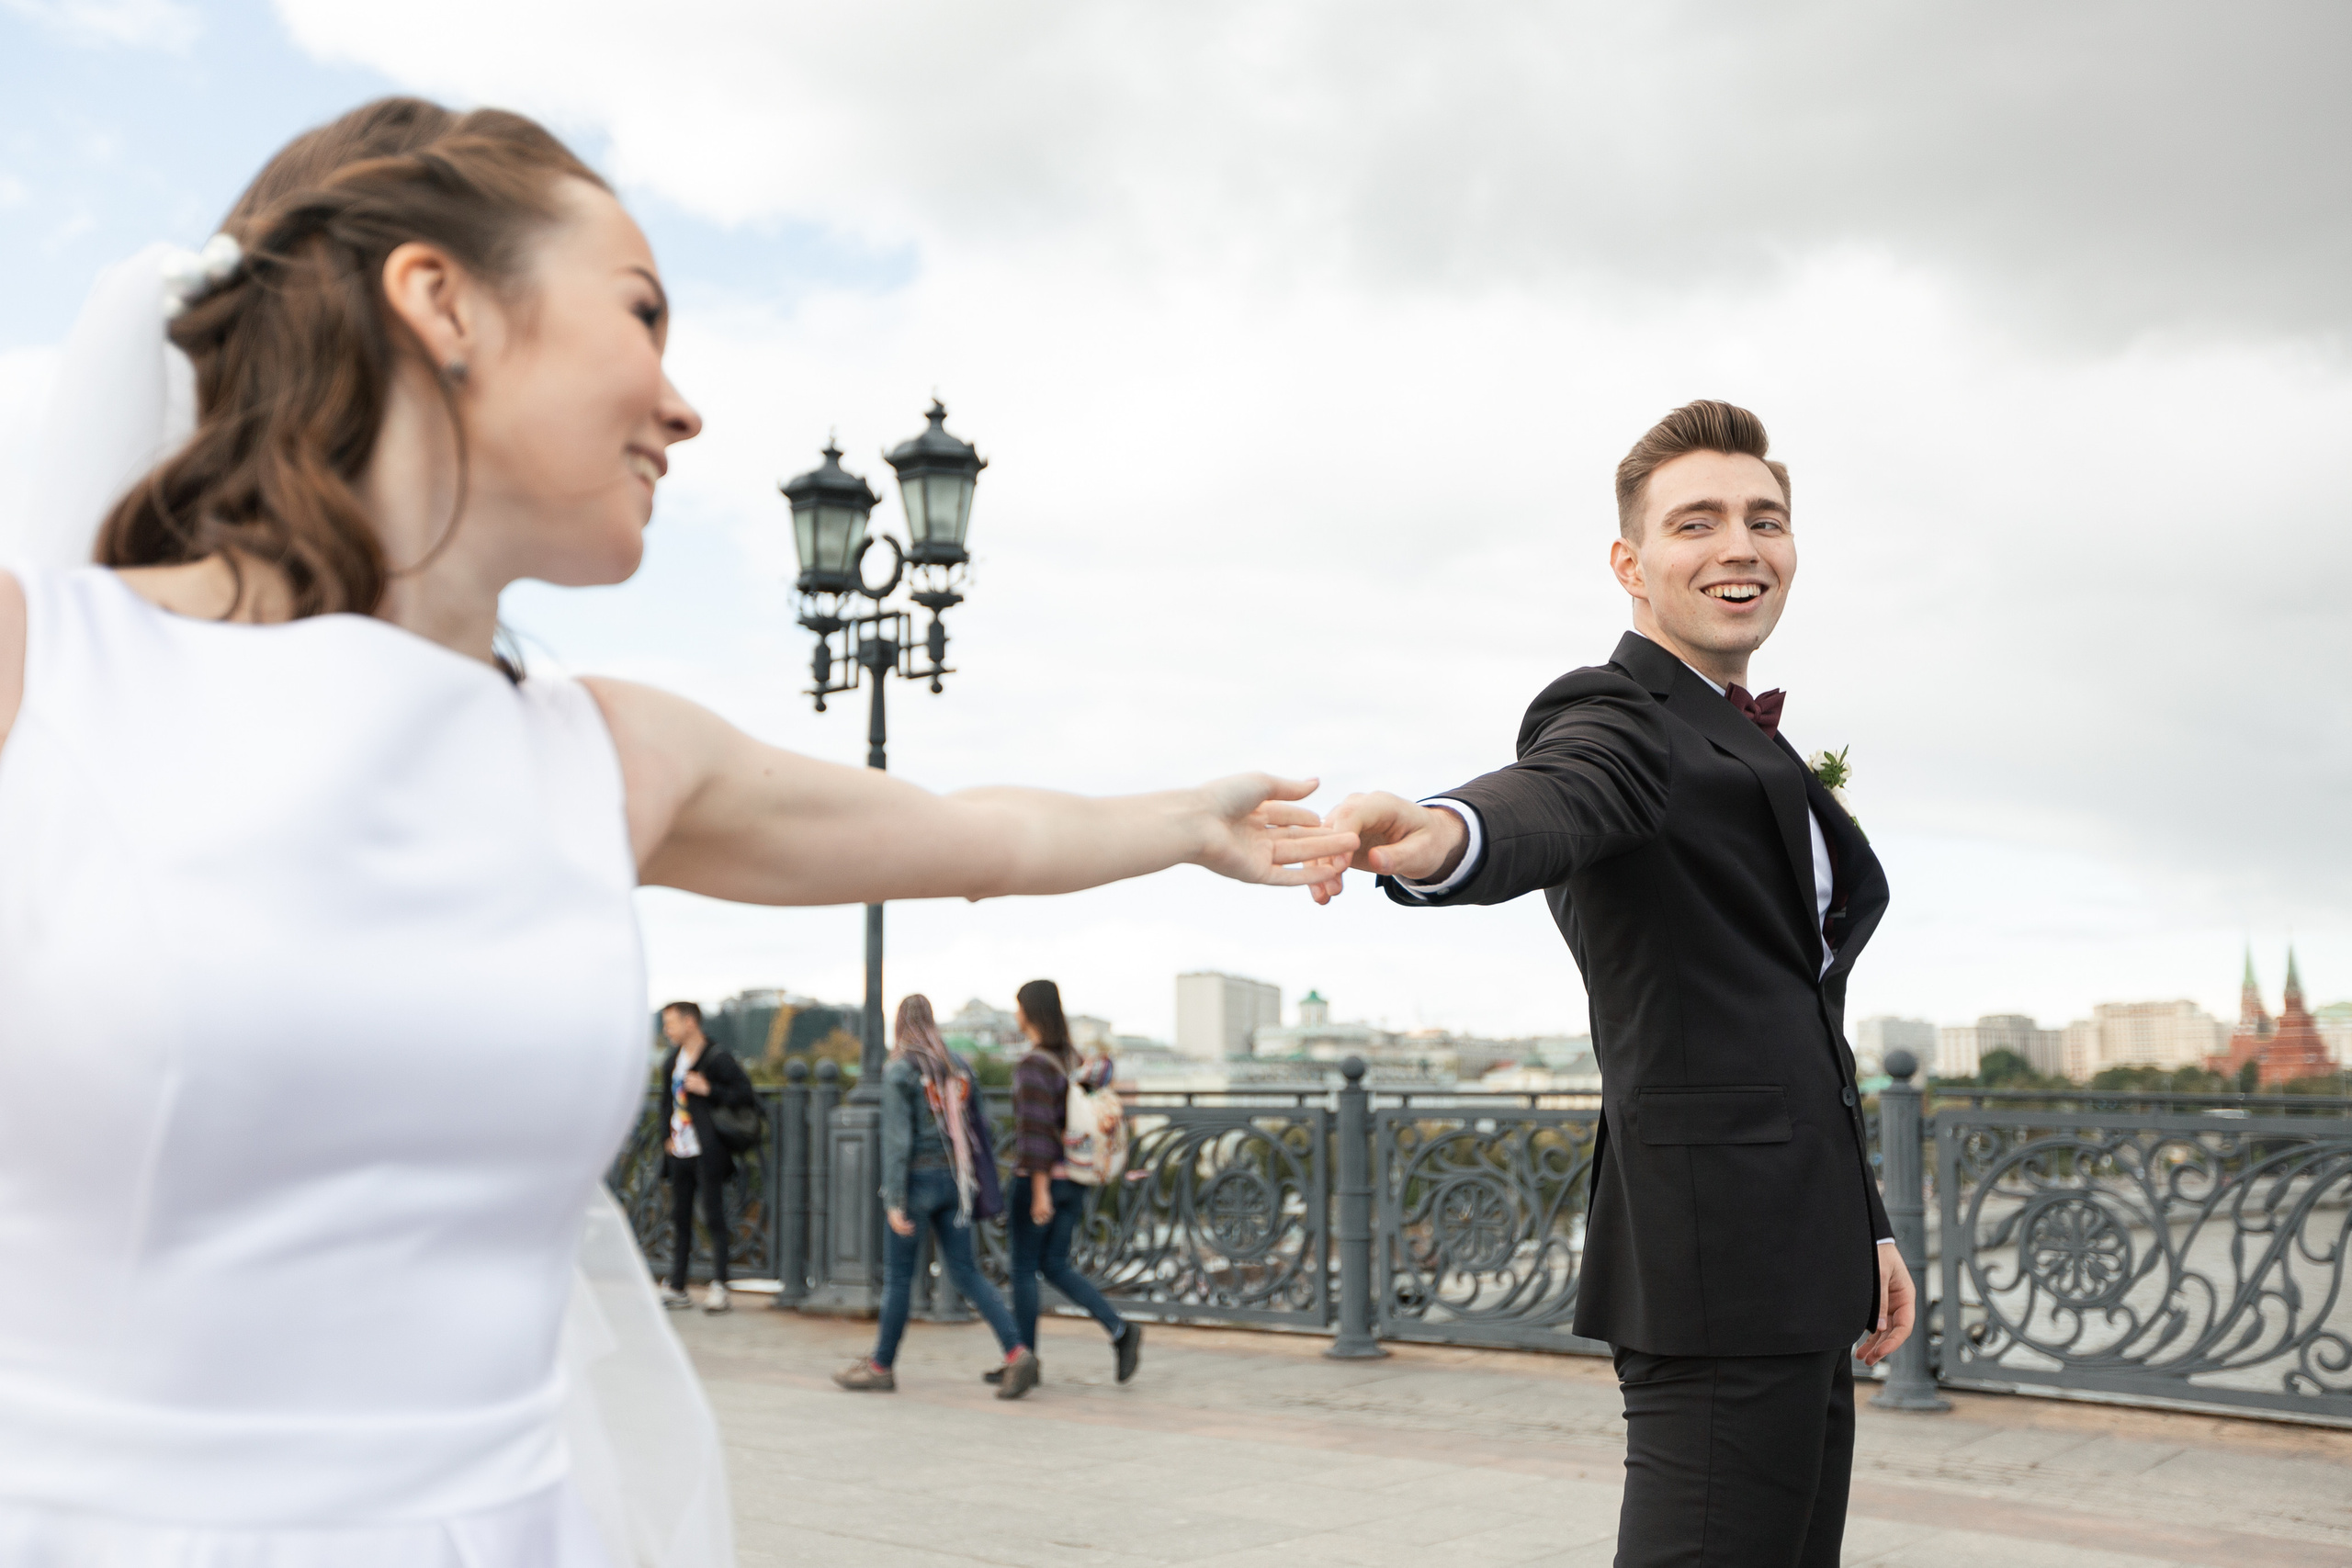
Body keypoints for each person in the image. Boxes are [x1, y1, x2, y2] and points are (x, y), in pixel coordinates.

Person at [0, 96, 1355, 1566]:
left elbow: (974, 833)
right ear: (440, 301)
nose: (684, 402)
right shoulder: (40, 676)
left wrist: (1187, 820)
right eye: (642, 313)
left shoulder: (610, 752)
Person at [1308, 400, 1913, 1568]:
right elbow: (1553, 799)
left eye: (1765, 519)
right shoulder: (1619, 715)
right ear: (1631, 565)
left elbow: (1795, 1024)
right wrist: (1438, 833)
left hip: (1799, 1255)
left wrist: (1866, 1228)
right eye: (1698, 522)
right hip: (1716, 1266)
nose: (1740, 546)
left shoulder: (1747, 740)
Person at [833, 995, 1036, 1396]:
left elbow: (897, 1141)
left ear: (900, 1025)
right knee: (966, 1273)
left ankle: (881, 1367)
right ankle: (1017, 1352)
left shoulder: (899, 1071)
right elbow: (984, 1128)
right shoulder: (958, 1067)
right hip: (956, 1184)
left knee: (898, 1278)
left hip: (916, 1184)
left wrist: (893, 1200)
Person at [999, 978, 1141, 1386]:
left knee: (1024, 1269)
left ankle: (1023, 1363)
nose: (1016, 1014)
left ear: (1029, 1012)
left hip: (1039, 1181)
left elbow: (1035, 1132)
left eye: (1018, 1006)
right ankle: (1120, 1329)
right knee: (1055, 1265)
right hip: (1075, 1178)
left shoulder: (1032, 1065)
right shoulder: (1071, 1059)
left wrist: (1039, 1190)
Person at [656, 1000, 755, 1314]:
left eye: (671, 1023)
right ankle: (678, 1285)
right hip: (679, 1150)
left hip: (708, 1149)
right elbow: (664, 1103)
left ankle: (720, 1285)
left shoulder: (717, 1057)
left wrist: (708, 1088)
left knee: (713, 1216)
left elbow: (743, 1094)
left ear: (690, 1023)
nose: (666, 1029)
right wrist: (664, 1139)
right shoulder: (671, 1059)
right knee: (680, 1217)